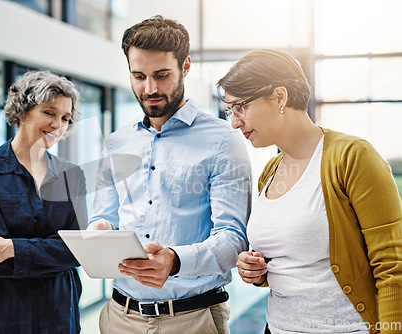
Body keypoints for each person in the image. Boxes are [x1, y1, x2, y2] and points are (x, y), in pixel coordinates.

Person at [217, 49, 402, 333]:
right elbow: (294, 258)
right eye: (230, 110)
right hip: (277, 327)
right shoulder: (271, 170)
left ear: (280, 97)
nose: (234, 121)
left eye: (240, 107)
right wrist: (255, 269)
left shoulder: (353, 157)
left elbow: (392, 267)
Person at [88, 15, 252, 334]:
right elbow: (104, 215)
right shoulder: (117, 142)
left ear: (185, 66)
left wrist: (175, 260)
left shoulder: (223, 140)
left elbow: (234, 238)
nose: (150, 89)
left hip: (193, 320)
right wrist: (101, 229)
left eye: (161, 75)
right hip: (119, 317)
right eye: (139, 76)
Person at [0, 70, 88, 334]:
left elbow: (77, 249)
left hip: (58, 309)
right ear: (22, 111)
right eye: (49, 112)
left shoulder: (72, 175)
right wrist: (51, 252)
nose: (58, 125)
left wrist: (11, 248)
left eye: (65, 118)